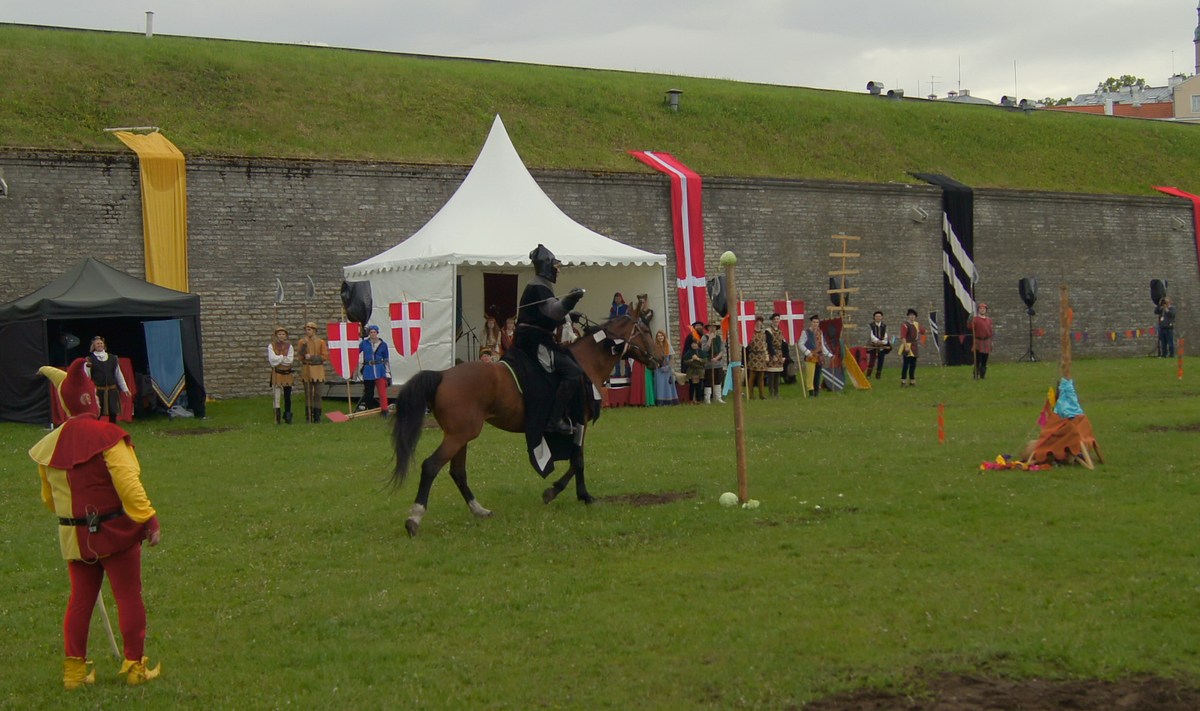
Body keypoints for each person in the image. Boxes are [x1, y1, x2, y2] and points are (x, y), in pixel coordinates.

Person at [31, 359, 161, 689]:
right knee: (129, 596)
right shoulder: (109, 435)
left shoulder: (50, 446)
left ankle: (74, 672)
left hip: (75, 536)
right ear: (92, 398)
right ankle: (134, 667)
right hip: (115, 533)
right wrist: (147, 518)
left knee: (80, 601)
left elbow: (49, 500)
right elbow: (128, 483)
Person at [514, 244, 586, 435]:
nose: (558, 270)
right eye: (556, 266)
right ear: (548, 265)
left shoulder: (541, 285)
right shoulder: (538, 286)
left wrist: (570, 317)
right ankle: (554, 421)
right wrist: (571, 300)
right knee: (573, 371)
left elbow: (543, 315)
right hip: (533, 342)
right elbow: (553, 311)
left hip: (534, 337)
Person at [85, 336, 131, 423]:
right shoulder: (90, 360)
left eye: (101, 343)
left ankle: (113, 431)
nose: (100, 345)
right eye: (97, 343)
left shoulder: (112, 358)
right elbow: (87, 376)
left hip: (112, 390)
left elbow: (118, 374)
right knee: (97, 412)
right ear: (94, 346)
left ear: (104, 345)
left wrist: (125, 389)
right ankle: (95, 430)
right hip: (98, 390)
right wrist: (88, 391)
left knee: (113, 412)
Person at [296, 321, 329, 423]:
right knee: (308, 394)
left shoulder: (321, 342)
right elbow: (300, 356)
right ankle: (308, 416)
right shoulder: (302, 342)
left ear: (314, 330)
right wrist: (304, 349)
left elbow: (324, 356)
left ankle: (317, 416)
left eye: (309, 329)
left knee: (318, 394)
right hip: (307, 369)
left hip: (318, 369)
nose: (307, 331)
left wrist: (313, 357)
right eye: (306, 329)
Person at [358, 324, 391, 415]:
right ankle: (369, 409)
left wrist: (388, 372)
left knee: (382, 391)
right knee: (369, 392)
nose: (373, 334)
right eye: (371, 332)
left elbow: (386, 359)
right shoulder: (364, 343)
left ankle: (384, 410)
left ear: (377, 333)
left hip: (380, 370)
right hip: (368, 370)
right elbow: (356, 352)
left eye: (374, 332)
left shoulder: (383, 345)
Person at [266, 326, 295, 424]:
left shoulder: (289, 346)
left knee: (288, 396)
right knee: (276, 396)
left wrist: (278, 359)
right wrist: (283, 357)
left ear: (286, 335)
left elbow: (290, 361)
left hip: (287, 373)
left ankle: (287, 416)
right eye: (279, 334)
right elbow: (272, 361)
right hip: (277, 373)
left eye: (283, 334)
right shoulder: (271, 346)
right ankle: (277, 417)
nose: (281, 336)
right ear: (276, 335)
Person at [800, 314, 833, 397]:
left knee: (818, 374)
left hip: (819, 356)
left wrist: (829, 354)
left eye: (817, 322)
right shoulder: (805, 332)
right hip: (810, 356)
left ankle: (816, 391)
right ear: (811, 322)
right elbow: (800, 344)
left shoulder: (820, 332)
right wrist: (807, 352)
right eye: (814, 322)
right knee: (810, 374)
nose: (815, 324)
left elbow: (822, 345)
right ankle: (811, 391)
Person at [898, 308, 926, 387]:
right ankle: (903, 381)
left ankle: (912, 380)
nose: (912, 317)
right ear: (908, 316)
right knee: (906, 364)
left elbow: (923, 331)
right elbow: (903, 337)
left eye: (913, 316)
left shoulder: (916, 324)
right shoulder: (905, 325)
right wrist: (906, 346)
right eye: (910, 315)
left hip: (914, 346)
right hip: (907, 345)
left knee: (913, 364)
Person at [683, 323, 709, 403]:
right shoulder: (690, 340)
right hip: (691, 370)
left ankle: (699, 399)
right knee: (692, 385)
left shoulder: (703, 341)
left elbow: (704, 359)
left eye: (700, 326)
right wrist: (691, 360)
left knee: (699, 385)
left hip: (699, 370)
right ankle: (691, 399)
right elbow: (685, 360)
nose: (699, 327)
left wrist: (698, 359)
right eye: (697, 326)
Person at [652, 331, 679, 405]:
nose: (660, 337)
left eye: (661, 336)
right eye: (658, 336)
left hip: (667, 368)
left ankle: (669, 400)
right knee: (660, 385)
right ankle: (660, 401)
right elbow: (653, 358)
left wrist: (668, 366)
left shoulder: (668, 346)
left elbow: (672, 358)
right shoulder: (655, 347)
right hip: (658, 369)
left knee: (668, 385)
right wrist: (658, 366)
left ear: (664, 337)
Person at [968, 303, 994, 379]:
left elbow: (990, 332)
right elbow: (970, 328)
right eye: (981, 308)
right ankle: (976, 375)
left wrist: (991, 342)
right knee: (977, 360)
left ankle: (983, 375)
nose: (982, 310)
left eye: (984, 309)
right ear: (978, 310)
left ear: (986, 310)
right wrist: (970, 321)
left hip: (986, 342)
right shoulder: (975, 319)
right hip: (978, 341)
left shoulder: (989, 320)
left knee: (984, 360)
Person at [746, 316, 769, 400]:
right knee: (752, 376)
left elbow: (764, 345)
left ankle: (762, 394)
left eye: (760, 321)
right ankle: (751, 395)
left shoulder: (763, 333)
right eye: (757, 321)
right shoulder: (751, 333)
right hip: (753, 355)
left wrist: (766, 355)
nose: (759, 323)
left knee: (761, 377)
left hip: (761, 355)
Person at [765, 313, 786, 398]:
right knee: (772, 374)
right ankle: (771, 393)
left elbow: (783, 343)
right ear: (772, 320)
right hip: (772, 353)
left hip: (779, 353)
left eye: (778, 319)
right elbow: (769, 344)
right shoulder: (768, 330)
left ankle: (777, 392)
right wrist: (773, 354)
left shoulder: (780, 330)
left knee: (778, 374)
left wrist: (784, 355)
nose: (777, 321)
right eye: (775, 319)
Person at [705, 322, 726, 404]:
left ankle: (718, 397)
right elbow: (705, 349)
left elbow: (721, 350)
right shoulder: (704, 337)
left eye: (714, 327)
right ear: (708, 328)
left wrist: (716, 358)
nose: (712, 329)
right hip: (708, 363)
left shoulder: (718, 338)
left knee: (718, 380)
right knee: (709, 380)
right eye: (711, 327)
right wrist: (710, 339)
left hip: (717, 362)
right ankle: (707, 398)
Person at [866, 310, 890, 379]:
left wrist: (882, 342)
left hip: (882, 345)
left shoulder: (884, 326)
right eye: (876, 316)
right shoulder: (871, 325)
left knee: (881, 360)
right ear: (874, 317)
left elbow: (886, 335)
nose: (878, 318)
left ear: (882, 317)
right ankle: (868, 375)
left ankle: (878, 375)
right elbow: (871, 335)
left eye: (879, 316)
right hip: (873, 345)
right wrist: (876, 341)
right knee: (872, 360)